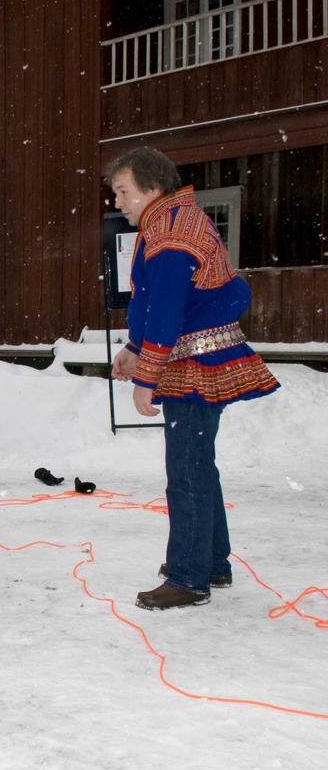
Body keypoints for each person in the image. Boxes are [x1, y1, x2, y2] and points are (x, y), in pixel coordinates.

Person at [107, 147, 279, 610]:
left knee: (186, 470)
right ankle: (211, 563)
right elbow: (154, 303)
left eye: (123, 192)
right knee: (198, 465)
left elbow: (165, 310)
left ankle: (188, 577)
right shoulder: (169, 222)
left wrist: (147, 374)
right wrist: (133, 349)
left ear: (152, 188)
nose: (118, 202)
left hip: (195, 367)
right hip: (191, 359)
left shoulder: (169, 233)